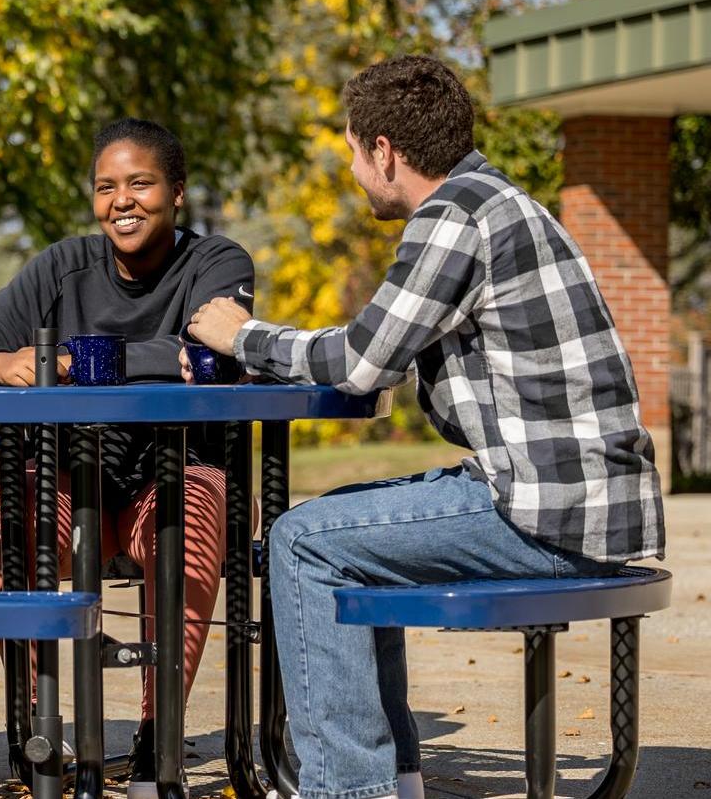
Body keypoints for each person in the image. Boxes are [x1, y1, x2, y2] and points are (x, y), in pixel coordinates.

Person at [184, 55, 666, 799]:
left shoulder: (454, 216)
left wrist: (241, 336)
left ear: (385, 150)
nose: (350, 169)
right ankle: (395, 777)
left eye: (351, 151)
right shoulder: (500, 200)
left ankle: (351, 789)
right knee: (344, 529)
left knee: (303, 539)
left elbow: (359, 362)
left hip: (549, 512)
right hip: (588, 503)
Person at [0, 118, 253, 794]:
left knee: (193, 514)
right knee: (8, 521)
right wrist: (1, 362)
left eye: (140, 183)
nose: (122, 200)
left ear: (176, 191)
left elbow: (218, 350)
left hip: (171, 476)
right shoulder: (60, 265)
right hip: (62, 476)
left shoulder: (217, 263)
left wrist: (72, 359)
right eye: (106, 186)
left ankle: (158, 737)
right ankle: (38, 727)